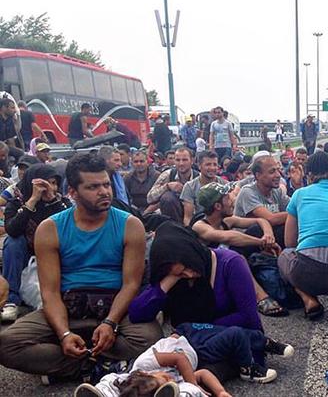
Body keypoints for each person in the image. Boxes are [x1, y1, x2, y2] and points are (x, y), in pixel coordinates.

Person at [0, 153, 162, 382]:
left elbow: (131, 284)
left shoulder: (130, 225)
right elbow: (49, 292)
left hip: (115, 306)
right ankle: (102, 365)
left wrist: (110, 322)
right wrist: (64, 333)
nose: (104, 191)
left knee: (150, 338)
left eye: (106, 184)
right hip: (68, 305)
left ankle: (68, 366)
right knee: (7, 344)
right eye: (93, 187)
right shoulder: (50, 229)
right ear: (72, 193)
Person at [129, 221, 263, 331]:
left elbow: (248, 317)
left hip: (233, 344)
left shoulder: (230, 263)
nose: (188, 274)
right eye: (181, 273)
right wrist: (168, 281)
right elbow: (136, 314)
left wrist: (196, 329)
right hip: (194, 346)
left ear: (191, 252)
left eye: (188, 266)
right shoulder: (174, 275)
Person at [191, 182, 287, 318]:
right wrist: (262, 242)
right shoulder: (200, 226)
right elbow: (229, 237)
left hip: (229, 266)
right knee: (234, 255)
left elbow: (261, 220)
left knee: (255, 231)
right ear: (218, 206)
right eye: (227, 198)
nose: (232, 200)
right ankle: (261, 297)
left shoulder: (226, 221)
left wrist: (268, 236)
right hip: (210, 274)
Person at [279, 152, 328, 320]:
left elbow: (289, 242)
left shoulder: (299, 194)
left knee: (284, 255)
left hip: (306, 274)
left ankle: (308, 298)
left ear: (309, 175)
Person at [1, 164, 72, 322]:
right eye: (45, 184)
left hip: (54, 253)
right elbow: (12, 229)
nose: (50, 187)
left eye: (54, 183)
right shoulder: (17, 203)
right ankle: (11, 301)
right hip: (26, 253)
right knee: (13, 242)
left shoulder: (62, 202)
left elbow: (69, 227)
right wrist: (32, 201)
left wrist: (52, 201)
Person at [74, 332, 232, 397]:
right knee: (114, 381)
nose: (169, 377)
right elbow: (201, 372)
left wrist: (220, 392)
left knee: (114, 378)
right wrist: (196, 386)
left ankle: (105, 392)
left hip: (180, 344)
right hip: (136, 379)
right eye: (166, 379)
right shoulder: (173, 380)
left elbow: (182, 360)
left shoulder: (145, 365)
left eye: (165, 377)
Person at [234, 155, 289, 247]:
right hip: (247, 244)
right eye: (272, 171)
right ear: (258, 175)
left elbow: (293, 207)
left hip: (269, 240)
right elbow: (271, 219)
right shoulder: (248, 192)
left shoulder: (277, 191)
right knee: (258, 228)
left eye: (278, 170)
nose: (278, 175)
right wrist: (296, 212)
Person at [147, 147, 198, 222]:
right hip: (171, 216)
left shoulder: (198, 178)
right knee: (167, 198)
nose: (181, 163)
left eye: (184, 160)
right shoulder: (168, 174)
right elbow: (150, 198)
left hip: (193, 216)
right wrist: (167, 186)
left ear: (192, 161)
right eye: (178, 160)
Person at [181, 150, 224, 225]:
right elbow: (188, 217)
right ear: (199, 166)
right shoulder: (190, 186)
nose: (212, 168)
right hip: (200, 225)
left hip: (221, 224)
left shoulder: (224, 184)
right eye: (208, 164)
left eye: (215, 164)